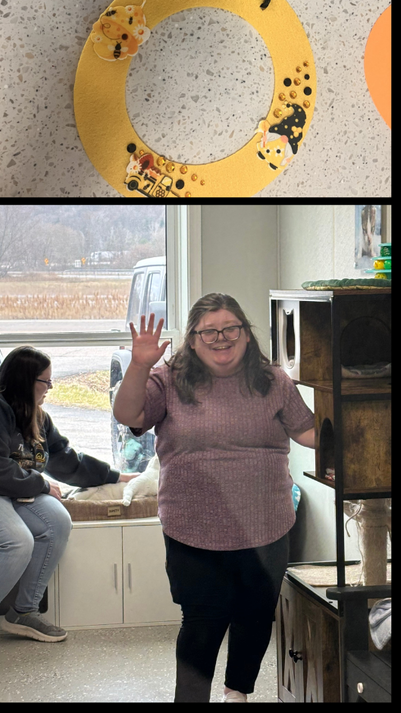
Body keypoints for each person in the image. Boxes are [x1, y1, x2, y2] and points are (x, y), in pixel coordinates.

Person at [112, 293, 316, 703]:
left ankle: (236, 693)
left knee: (256, 616)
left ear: (245, 332)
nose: (221, 338)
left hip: (266, 525)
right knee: (202, 621)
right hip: (193, 528)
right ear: (193, 338)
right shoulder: (168, 379)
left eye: (230, 328)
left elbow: (308, 432)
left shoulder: (274, 380)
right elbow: (129, 415)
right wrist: (139, 365)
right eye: (210, 331)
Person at [0, 346, 138, 642]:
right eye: (45, 381)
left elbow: (66, 460)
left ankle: (22, 612)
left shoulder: (38, 417)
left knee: (58, 522)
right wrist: (42, 484)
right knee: (18, 542)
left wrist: (116, 476)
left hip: (19, 493)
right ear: (26, 380)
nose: (49, 388)